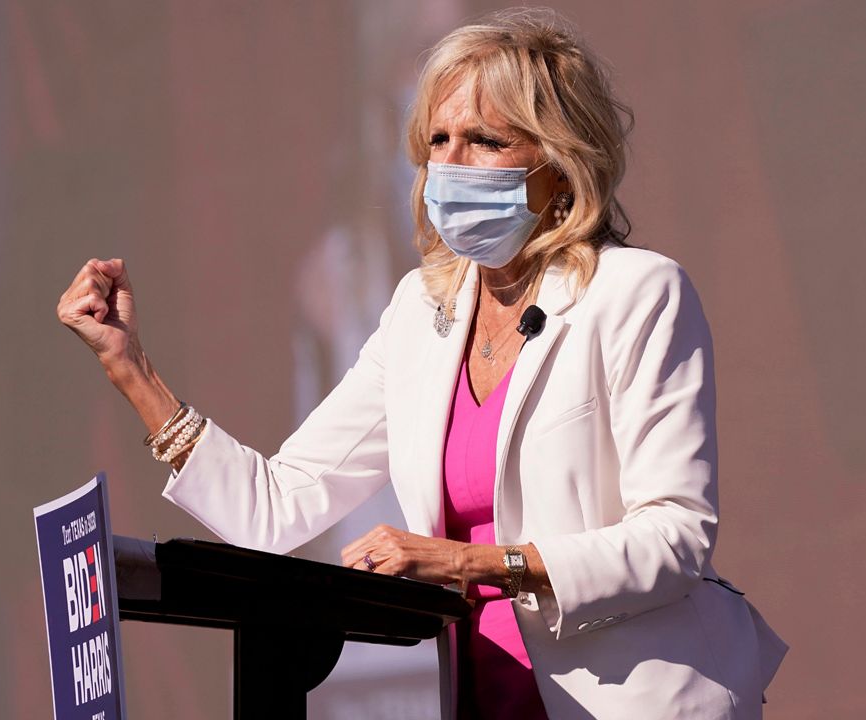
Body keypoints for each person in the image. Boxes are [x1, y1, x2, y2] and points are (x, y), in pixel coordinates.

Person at [57, 8, 785, 719]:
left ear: (559, 167)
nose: (451, 163)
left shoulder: (636, 293)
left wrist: (469, 564)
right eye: (437, 138)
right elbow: (277, 508)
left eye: (484, 139)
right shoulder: (420, 313)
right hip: (481, 696)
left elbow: (674, 539)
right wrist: (133, 370)